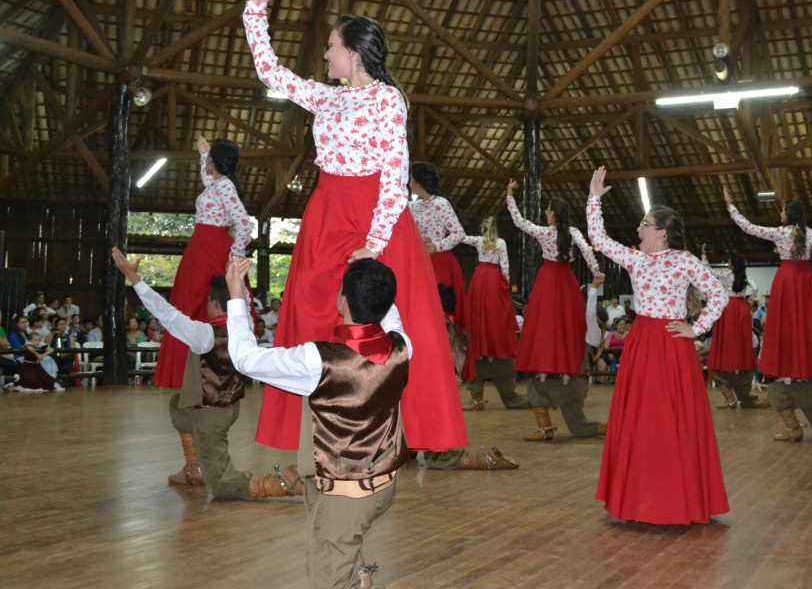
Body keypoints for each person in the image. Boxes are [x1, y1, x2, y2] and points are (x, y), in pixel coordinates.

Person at [244, 0, 466, 457]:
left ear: (353, 52)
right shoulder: (326, 98)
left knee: (391, 322)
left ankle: (396, 431)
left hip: (372, 219)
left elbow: (394, 175)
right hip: (326, 213)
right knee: (307, 308)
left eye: (330, 46)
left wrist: (376, 242)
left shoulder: (389, 100)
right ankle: (318, 426)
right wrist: (256, 12)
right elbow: (270, 72)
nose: (324, 54)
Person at [225, 257, 410, 588]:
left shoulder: (319, 360)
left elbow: (245, 359)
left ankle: (356, 576)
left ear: (342, 301)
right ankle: (360, 574)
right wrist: (374, 260)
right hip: (382, 486)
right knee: (346, 551)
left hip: (343, 500)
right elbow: (391, 315)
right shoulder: (401, 346)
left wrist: (236, 297)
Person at [588, 167, 729, 525]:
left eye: (644, 225)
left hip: (670, 344)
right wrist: (594, 199)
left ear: (662, 233)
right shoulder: (636, 259)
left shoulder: (684, 260)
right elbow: (598, 238)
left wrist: (696, 328)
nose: (639, 230)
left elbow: (718, 293)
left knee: (670, 421)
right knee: (641, 421)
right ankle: (640, 500)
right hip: (642, 342)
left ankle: (674, 500)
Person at [112, 248, 303, 499]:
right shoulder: (243, 328)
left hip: (210, 414)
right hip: (229, 408)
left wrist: (134, 278)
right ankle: (195, 467)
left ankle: (287, 484)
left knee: (223, 486)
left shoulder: (204, 335)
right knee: (178, 406)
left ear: (213, 303)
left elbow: (166, 314)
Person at [724, 188, 812, 439]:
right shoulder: (810, 233)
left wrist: (731, 206)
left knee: (785, 328)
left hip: (785, 280)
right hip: (804, 280)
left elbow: (748, 227)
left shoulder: (780, 232)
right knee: (805, 327)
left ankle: (789, 374)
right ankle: (805, 370)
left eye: (781, 210)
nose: (779, 214)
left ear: (788, 215)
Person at [506, 179, 605, 441]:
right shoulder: (573, 233)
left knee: (545, 329)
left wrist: (509, 196)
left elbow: (519, 222)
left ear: (551, 213)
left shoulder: (544, 232)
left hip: (547, 282)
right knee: (567, 328)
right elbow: (587, 252)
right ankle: (564, 368)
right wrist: (596, 273)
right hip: (568, 283)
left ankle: (545, 418)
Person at [153, 135, 252, 391]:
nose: (206, 163)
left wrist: (233, 257)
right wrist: (202, 154)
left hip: (212, 248)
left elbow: (244, 224)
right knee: (189, 304)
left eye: (209, 159)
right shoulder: (217, 184)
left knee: (196, 305)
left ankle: (203, 373)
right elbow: (208, 180)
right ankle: (191, 374)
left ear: (216, 161)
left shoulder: (226, 187)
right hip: (202, 248)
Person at [417, 285, 519, 472]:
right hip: (440, 390)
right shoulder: (455, 327)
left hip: (431, 391)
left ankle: (471, 460)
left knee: (436, 447)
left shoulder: (435, 327)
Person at [460, 216, 527, 411]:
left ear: (483, 229)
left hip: (480, 278)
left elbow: (461, 237)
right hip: (493, 280)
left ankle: (477, 398)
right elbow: (505, 267)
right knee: (495, 318)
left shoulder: (479, 241)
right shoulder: (501, 242)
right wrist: (504, 286)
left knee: (479, 318)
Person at [700, 245, 766, 409]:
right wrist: (749, 302)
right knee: (741, 339)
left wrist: (703, 255)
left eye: (729, 261)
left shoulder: (726, 275)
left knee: (727, 338)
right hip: (742, 309)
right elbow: (756, 288)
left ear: (732, 264)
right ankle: (739, 364)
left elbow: (708, 271)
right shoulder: (745, 276)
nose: (727, 263)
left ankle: (729, 367)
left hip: (728, 308)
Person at [409, 161, 467, 323]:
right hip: (419, 261)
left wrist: (436, 246)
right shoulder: (413, 206)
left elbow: (459, 233)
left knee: (440, 308)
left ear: (418, 183)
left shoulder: (440, 203)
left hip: (439, 261)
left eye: (411, 179)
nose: (409, 183)